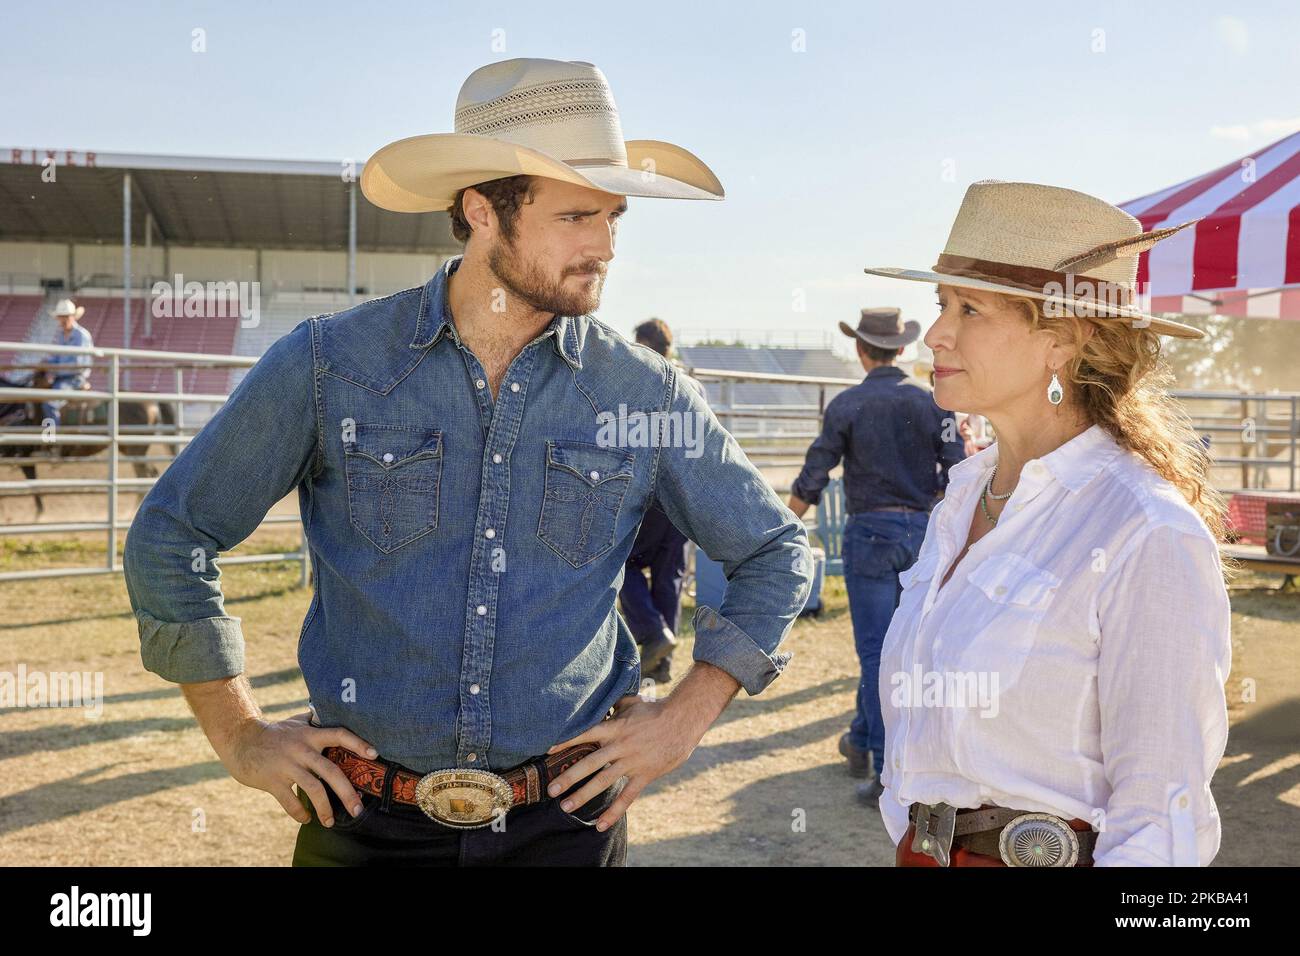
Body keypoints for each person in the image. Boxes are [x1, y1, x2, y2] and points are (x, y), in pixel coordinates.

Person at [122, 57, 811, 867]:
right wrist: (238, 733)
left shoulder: (646, 394)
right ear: (483, 210)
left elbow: (774, 551)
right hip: (364, 824)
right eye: (577, 217)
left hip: (566, 824)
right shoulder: (329, 366)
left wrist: (686, 715)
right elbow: (172, 534)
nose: (607, 247)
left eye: (615, 218)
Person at [863, 180, 1232, 866]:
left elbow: (1160, 814)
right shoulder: (965, 494)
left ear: (1060, 342)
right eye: (941, 303)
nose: (937, 332)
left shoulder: (1146, 530)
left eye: (970, 308)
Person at [786, 308, 964, 805]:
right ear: (902, 349)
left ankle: (887, 771)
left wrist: (778, 532)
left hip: (869, 533)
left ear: (861, 350)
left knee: (878, 653)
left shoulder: (847, 404)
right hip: (923, 532)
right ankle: (862, 742)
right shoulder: (935, 403)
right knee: (906, 649)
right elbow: (959, 472)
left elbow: (814, 476)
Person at [619, 318, 703, 685]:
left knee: (623, 564)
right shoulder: (695, 387)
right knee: (669, 577)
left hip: (646, 498)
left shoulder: (639, 384)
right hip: (682, 502)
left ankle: (654, 635)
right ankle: (662, 660)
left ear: (646, 346)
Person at [37, 298, 94, 430]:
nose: (62, 320)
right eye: (60, 317)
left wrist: (54, 369)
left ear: (73, 317)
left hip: (74, 379)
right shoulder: (62, 335)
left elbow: (79, 364)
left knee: (49, 405)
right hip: (61, 378)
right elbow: (58, 357)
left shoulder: (81, 335)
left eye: (65, 317)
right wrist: (45, 363)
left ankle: (53, 440)